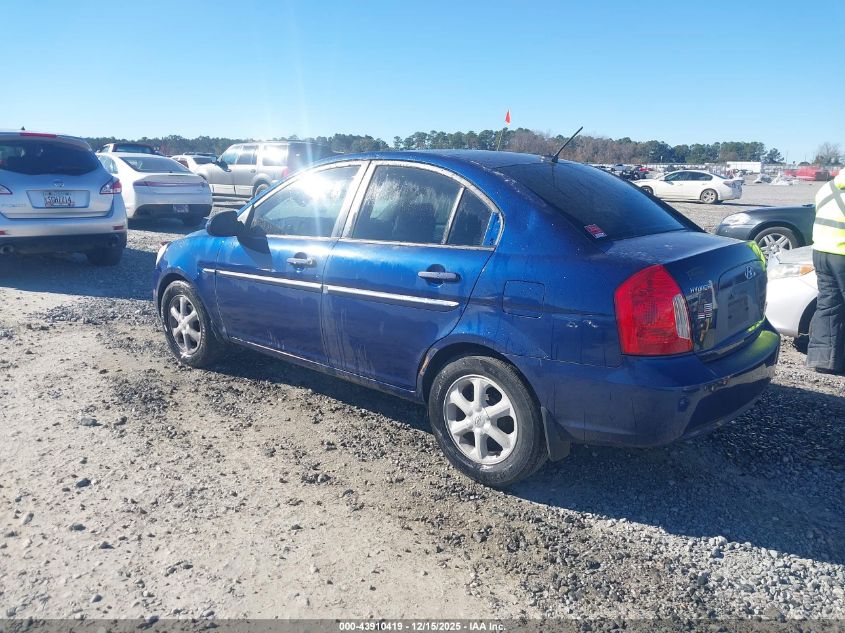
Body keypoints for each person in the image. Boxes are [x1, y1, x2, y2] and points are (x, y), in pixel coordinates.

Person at [807, 169, 845, 374]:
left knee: (828, 306)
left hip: (822, 252)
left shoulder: (826, 188)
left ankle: (823, 360)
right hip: (842, 254)